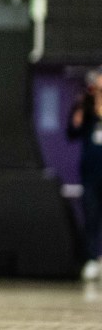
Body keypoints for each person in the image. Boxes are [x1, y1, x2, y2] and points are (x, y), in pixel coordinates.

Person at [68, 70, 102, 281]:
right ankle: (91, 259)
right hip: (91, 174)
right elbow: (72, 131)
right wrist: (81, 107)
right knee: (91, 218)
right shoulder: (86, 107)